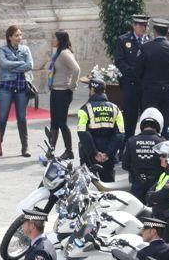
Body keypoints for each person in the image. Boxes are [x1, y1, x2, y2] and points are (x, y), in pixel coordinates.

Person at [76, 77, 125, 182]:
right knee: (108, 187)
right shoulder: (116, 109)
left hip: (89, 156)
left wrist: (94, 153)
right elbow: (120, 134)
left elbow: (83, 133)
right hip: (109, 156)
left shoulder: (85, 109)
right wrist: (108, 153)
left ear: (92, 90)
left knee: (88, 186)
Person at [0, 25, 34, 157]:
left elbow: (30, 65)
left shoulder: (25, 49)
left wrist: (12, 65)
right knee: (2, 118)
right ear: (10, 37)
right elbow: (4, 64)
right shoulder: (2, 49)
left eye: (20, 35)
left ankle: (25, 148)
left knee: (22, 118)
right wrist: (20, 63)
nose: (19, 38)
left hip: (22, 87)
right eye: (17, 35)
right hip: (5, 87)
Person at [115, 14, 150, 139]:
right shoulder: (123, 40)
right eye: (140, 25)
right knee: (129, 118)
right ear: (134, 25)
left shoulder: (149, 40)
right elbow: (119, 61)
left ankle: (145, 142)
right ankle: (126, 146)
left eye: (145, 25)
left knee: (147, 117)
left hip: (145, 85)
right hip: (130, 85)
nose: (143, 28)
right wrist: (133, 73)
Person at [47, 31, 80, 160]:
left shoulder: (65, 53)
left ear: (60, 40)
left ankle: (69, 151)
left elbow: (76, 69)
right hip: (55, 91)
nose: (52, 40)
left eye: (54, 38)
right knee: (54, 123)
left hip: (63, 92)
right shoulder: (58, 54)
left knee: (61, 122)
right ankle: (51, 150)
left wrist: (72, 85)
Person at [121, 109, 165, 203]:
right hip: (156, 186)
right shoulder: (162, 142)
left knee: (136, 210)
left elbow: (125, 165)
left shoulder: (131, 141)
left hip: (137, 184)